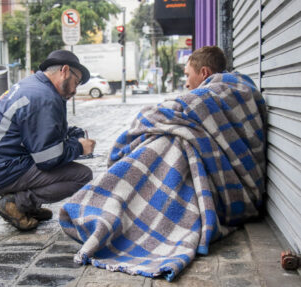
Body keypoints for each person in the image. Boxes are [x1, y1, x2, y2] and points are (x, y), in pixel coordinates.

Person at [59, 46, 267, 281]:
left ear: (205, 73)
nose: (187, 83)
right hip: (241, 184)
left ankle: (116, 204)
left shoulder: (215, 93)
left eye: (188, 75)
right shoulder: (241, 91)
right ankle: (125, 203)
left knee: (173, 143)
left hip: (232, 187)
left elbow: (158, 113)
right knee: (178, 138)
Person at [0, 50, 96, 231]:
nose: (75, 90)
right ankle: (17, 203)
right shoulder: (43, 97)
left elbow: (41, 132)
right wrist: (79, 147)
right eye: (76, 82)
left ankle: (27, 207)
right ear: (65, 71)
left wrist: (72, 134)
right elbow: (47, 159)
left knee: (64, 164)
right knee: (82, 175)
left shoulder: (35, 87)